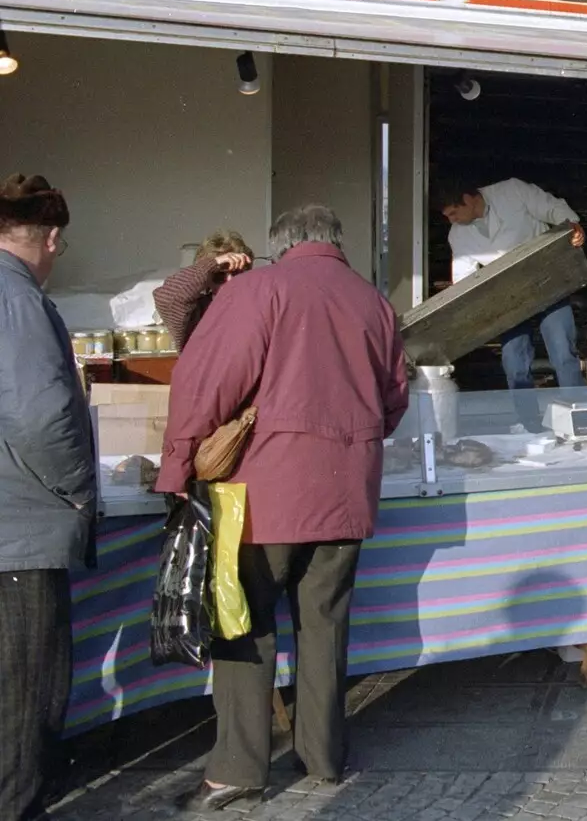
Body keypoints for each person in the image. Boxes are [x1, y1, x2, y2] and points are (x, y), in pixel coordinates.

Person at [156, 206, 409, 811]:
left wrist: (177, 464)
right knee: (325, 624)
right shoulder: (373, 302)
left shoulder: (258, 289)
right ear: (334, 241)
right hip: (346, 490)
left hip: (261, 493)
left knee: (244, 625)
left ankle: (238, 769)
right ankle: (323, 755)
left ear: (281, 245)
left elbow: (205, 383)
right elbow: (394, 400)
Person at [0, 174, 96, 821]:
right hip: (22, 530)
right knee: (25, 699)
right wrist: (77, 489)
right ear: (52, 237)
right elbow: (38, 417)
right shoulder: (18, 299)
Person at [434, 176, 586, 424]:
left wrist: (573, 227)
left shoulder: (512, 191)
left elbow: (553, 207)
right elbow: (464, 278)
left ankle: (580, 415)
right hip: (509, 296)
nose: (451, 220)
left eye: (453, 213)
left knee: (562, 352)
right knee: (514, 361)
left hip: (547, 280)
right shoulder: (458, 235)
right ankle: (528, 423)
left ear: (468, 199)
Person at [152, 230, 255, 351]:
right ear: (207, 279)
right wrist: (213, 263)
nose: (229, 281)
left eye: (236, 273)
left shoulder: (255, 306)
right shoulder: (196, 312)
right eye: (219, 276)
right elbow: (167, 297)